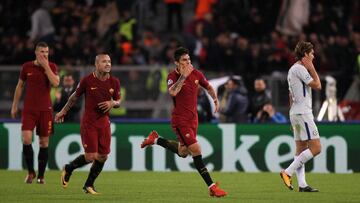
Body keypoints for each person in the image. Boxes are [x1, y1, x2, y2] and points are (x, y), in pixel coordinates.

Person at [141, 47, 227, 197]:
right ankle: (212, 187)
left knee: (183, 152)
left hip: (193, 119)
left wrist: (215, 99)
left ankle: (155, 139)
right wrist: (183, 77)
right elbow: (173, 92)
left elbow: (208, 86)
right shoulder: (172, 76)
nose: (188, 62)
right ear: (177, 63)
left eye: (189, 59)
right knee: (196, 150)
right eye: (184, 60)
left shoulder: (196, 73)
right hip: (180, 120)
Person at [55, 54, 121, 194]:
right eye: (104, 61)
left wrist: (112, 102)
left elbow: (118, 101)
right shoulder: (87, 80)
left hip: (104, 124)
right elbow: (74, 98)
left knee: (103, 156)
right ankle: (69, 168)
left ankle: (89, 185)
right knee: (91, 156)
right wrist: (63, 111)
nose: (108, 64)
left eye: (109, 61)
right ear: (96, 64)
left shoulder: (114, 82)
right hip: (89, 123)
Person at [11, 42, 60, 184]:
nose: (45, 54)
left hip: (46, 110)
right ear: (36, 52)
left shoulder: (51, 66)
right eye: (42, 52)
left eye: (46, 52)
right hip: (29, 109)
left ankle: (41, 176)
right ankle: (31, 172)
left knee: (43, 142)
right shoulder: (26, 67)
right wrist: (14, 105)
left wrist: (45, 67)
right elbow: (20, 86)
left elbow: (56, 83)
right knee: (26, 139)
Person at [280, 41, 322, 192]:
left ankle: (302, 185)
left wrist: (292, 117)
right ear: (305, 54)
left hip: (296, 113)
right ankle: (287, 172)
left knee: (300, 150)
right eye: (311, 53)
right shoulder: (300, 68)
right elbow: (317, 85)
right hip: (303, 113)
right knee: (316, 148)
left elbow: (291, 95)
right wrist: (311, 68)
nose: (313, 55)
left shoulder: (292, 70)